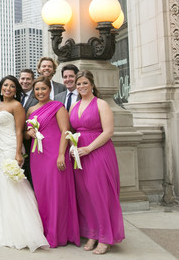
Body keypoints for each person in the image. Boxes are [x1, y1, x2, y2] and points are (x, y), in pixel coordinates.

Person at [0, 75, 49, 252]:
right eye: (5, 85)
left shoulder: (17, 106)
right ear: (0, 87)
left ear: (16, 90)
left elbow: (19, 131)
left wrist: (18, 152)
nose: (8, 88)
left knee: (12, 183)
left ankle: (19, 229)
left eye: (12, 86)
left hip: (10, 148)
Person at [69, 70, 124, 254]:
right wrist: (73, 147)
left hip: (98, 152)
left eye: (85, 83)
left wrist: (89, 148)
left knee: (100, 194)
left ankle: (105, 237)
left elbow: (108, 132)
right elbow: (72, 130)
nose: (81, 87)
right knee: (85, 195)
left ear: (92, 84)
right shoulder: (74, 106)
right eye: (79, 84)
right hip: (79, 155)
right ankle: (92, 233)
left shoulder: (101, 104)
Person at [27, 76, 79, 248]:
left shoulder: (58, 106)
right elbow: (27, 133)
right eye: (37, 89)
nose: (40, 92)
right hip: (37, 156)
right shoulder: (31, 110)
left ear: (50, 89)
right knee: (42, 194)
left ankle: (58, 234)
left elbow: (65, 130)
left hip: (55, 154)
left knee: (56, 193)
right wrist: (30, 133)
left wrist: (61, 155)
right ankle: (45, 230)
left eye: (43, 88)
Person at [18, 68, 37, 185]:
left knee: (30, 174)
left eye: (28, 79)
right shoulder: (13, 95)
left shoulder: (38, 97)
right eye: (22, 78)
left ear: (33, 81)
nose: (25, 81)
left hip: (32, 142)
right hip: (14, 141)